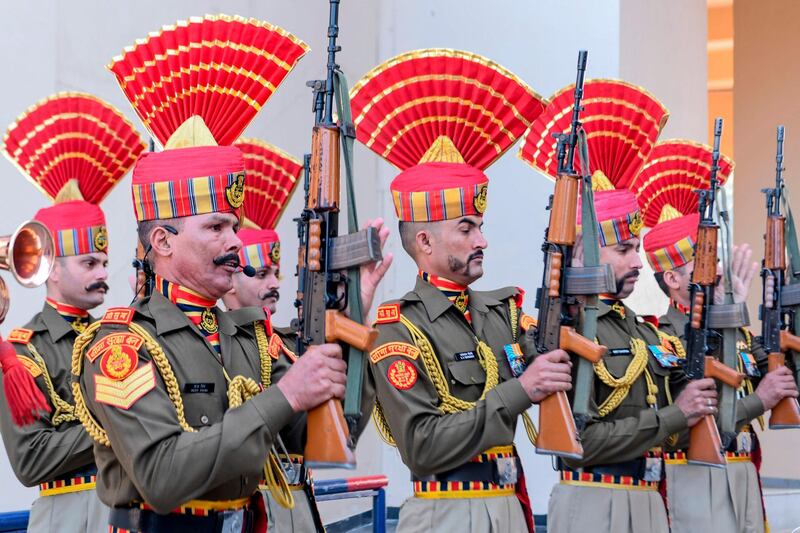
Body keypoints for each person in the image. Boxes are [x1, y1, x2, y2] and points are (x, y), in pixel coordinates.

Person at [70, 16, 368, 532]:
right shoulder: (120, 345)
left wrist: (349, 331)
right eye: (216, 227)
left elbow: (309, 440)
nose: (235, 242)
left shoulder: (246, 335)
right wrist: (288, 393)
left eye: (234, 225)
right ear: (162, 241)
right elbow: (161, 477)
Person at [350, 48, 572, 533]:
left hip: (508, 508)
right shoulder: (397, 327)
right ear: (425, 241)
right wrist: (520, 391)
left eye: (481, 227)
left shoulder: (503, 313)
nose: (482, 240)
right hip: (444, 513)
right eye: (467, 228)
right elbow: (422, 444)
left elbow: (565, 360)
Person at [519, 79, 719, 533]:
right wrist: (676, 414)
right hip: (594, 504)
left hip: (648, 503)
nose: (638, 262)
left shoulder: (641, 331)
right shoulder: (562, 329)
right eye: (624, 250)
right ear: (588, 252)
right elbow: (581, 441)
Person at [221, 138, 391, 531]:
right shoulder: (218, 345)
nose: (273, 284)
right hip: (250, 510)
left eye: (276, 274)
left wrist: (354, 321)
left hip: (300, 508)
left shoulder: (289, 345)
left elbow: (348, 427)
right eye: (259, 274)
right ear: (230, 281)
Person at [635, 139, 798, 532]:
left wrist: (779, 310)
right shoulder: (660, 338)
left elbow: (786, 378)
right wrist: (759, 401)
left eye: (717, 262)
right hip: (694, 480)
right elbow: (692, 417)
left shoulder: (736, 329)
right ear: (673, 279)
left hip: (742, 479)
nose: (720, 273)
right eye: (706, 266)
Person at [0, 92, 145, 533]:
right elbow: (31, 460)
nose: (104, 273)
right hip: (68, 514)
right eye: (89, 264)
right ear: (51, 268)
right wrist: (121, 423)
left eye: (104, 262)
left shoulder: (118, 334)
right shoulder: (21, 354)